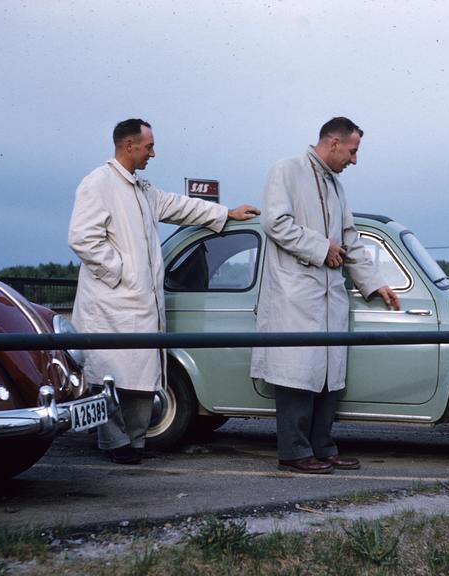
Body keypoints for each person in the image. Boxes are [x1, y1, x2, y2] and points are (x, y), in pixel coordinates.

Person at [69, 118, 259, 464]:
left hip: (138, 305)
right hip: (111, 303)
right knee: (109, 379)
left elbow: (180, 206)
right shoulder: (98, 183)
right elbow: (82, 239)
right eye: (149, 146)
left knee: (141, 378)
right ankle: (115, 443)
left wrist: (227, 213)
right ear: (129, 145)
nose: (153, 153)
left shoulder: (142, 189)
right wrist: (122, 273)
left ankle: (135, 442)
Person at [250, 117, 400, 475]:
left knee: (328, 376)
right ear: (334, 143)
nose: (354, 160)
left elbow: (349, 239)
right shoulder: (286, 170)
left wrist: (374, 282)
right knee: (297, 375)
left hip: (329, 296)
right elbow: (275, 223)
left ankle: (322, 447)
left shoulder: (335, 185)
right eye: (352, 151)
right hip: (295, 295)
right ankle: (293, 452)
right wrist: (321, 247)